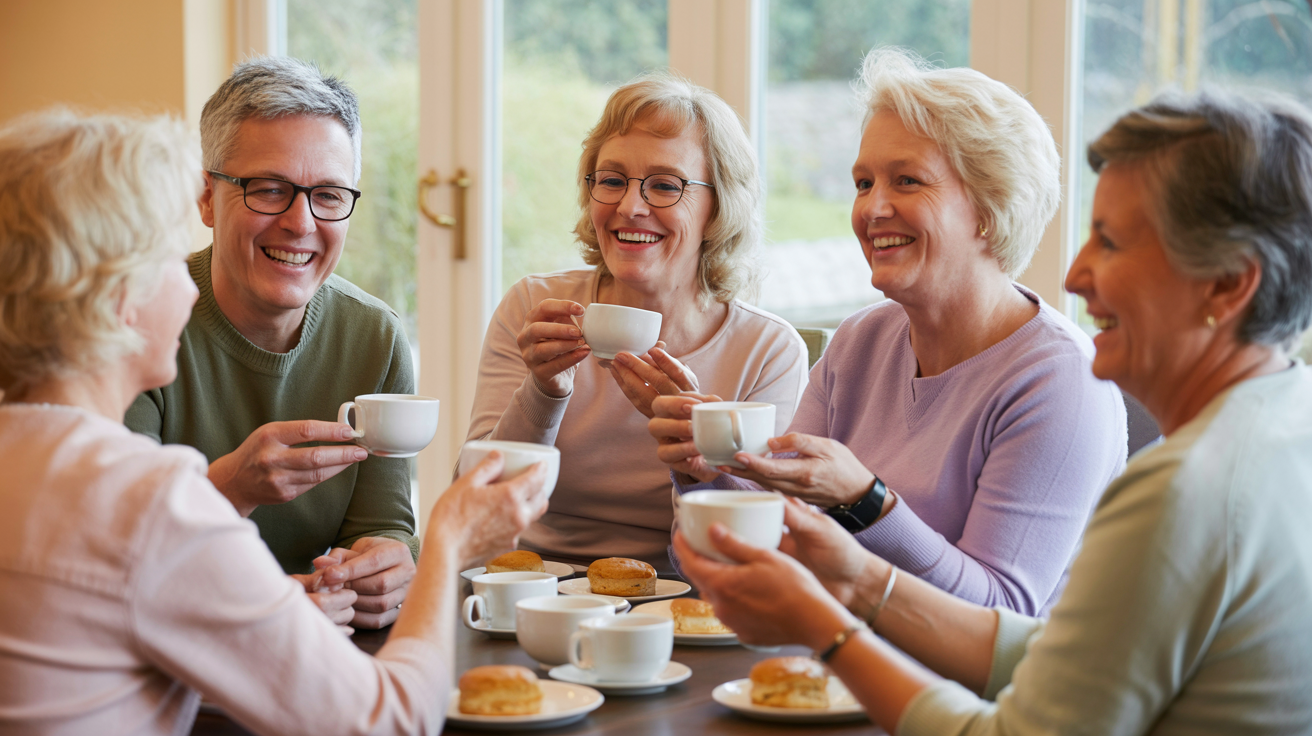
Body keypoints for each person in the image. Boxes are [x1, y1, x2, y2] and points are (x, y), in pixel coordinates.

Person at [676, 88, 1312, 734]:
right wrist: (859, 579)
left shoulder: (1181, 491)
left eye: (1111, 242)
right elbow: (1061, 659)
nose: (1074, 275)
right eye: (863, 181)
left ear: (1230, 284)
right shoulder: (1284, 423)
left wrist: (830, 623)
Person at [0, 109, 550, 735]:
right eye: (161, 255)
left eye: (327, 194)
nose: (186, 284)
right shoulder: (151, 502)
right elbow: (391, 722)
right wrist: (449, 543)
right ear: (117, 295)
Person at [653, 48, 1126, 614]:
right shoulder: (860, 342)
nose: (872, 208)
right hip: (835, 664)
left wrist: (866, 502)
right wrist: (703, 472)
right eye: (862, 182)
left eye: (907, 180)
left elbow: (999, 615)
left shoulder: (1059, 379)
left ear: (991, 207)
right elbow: (766, 549)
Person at [466, 72, 808, 572]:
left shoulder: (766, 351)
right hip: (531, 584)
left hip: (688, 596)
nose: (630, 206)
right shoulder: (534, 307)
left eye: (665, 186)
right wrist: (543, 390)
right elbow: (475, 498)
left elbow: (754, 549)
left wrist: (694, 463)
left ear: (718, 208)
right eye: (611, 180)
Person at [124, 57, 415, 629]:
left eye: (329, 194)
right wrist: (228, 486)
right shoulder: (137, 324)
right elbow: (108, 545)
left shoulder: (375, 336)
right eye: (269, 189)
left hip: (325, 644)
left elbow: (382, 525)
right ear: (206, 197)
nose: (301, 222)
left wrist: (383, 568)